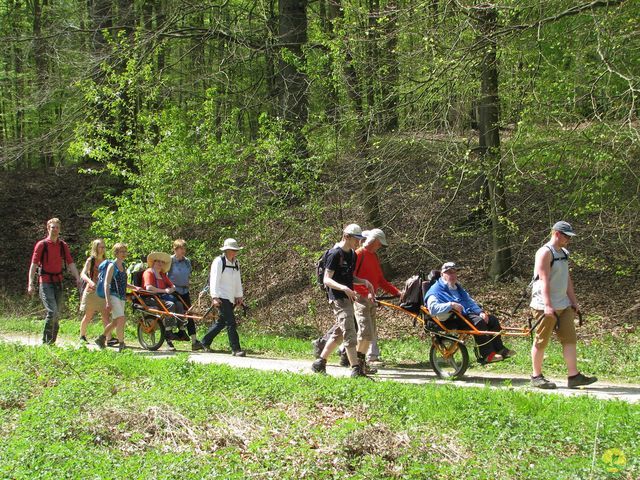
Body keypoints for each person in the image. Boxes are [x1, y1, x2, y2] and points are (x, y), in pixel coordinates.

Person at [529, 221, 597, 389]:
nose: (569, 240)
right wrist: (547, 305)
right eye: (566, 236)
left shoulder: (564, 253)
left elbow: (566, 279)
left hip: (563, 304)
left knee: (570, 339)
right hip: (543, 305)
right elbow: (543, 280)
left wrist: (573, 301)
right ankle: (536, 376)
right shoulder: (544, 252)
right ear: (557, 234)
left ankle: (573, 376)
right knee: (541, 341)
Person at [311, 224, 375, 378]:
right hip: (338, 298)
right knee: (350, 331)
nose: (358, 243)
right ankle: (356, 369)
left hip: (348, 297)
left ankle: (320, 363)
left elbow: (348, 277)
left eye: (360, 239)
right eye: (356, 239)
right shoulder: (335, 254)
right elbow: (327, 279)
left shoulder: (352, 254)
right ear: (346, 236)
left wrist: (363, 281)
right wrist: (344, 288)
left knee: (340, 332)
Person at [424, 262, 515, 364]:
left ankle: (499, 349)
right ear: (442, 274)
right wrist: (451, 305)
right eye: (449, 273)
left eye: (454, 272)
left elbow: (470, 302)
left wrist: (480, 312)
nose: (452, 275)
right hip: (450, 318)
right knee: (479, 323)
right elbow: (432, 308)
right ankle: (487, 355)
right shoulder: (435, 290)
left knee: (491, 319)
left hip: (463, 315)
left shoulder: (457, 287)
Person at [27, 217, 82, 344]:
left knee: (57, 313)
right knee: (52, 311)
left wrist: (78, 277)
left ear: (60, 229)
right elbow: (34, 265)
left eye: (57, 227)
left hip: (58, 281)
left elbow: (70, 263)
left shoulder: (63, 245)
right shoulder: (42, 245)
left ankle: (51, 342)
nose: (55, 230)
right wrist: (30, 283)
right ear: (48, 228)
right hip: (45, 281)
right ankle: (46, 342)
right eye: (53, 227)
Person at [354, 229, 402, 367]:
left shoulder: (374, 257)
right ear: (374, 241)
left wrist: (397, 292)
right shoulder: (358, 254)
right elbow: (351, 279)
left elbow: (380, 280)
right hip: (360, 299)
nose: (380, 246)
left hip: (371, 300)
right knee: (364, 332)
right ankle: (357, 363)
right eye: (379, 244)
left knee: (370, 333)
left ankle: (362, 361)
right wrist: (365, 292)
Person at [143, 251, 202, 351]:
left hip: (162, 297)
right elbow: (148, 288)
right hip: (151, 298)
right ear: (153, 262)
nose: (160, 264)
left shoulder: (162, 274)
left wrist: (171, 289)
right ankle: (168, 331)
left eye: (162, 262)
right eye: (158, 262)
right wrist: (164, 290)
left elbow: (171, 285)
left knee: (179, 304)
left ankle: (181, 329)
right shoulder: (149, 272)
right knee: (170, 305)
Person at [199, 238, 246, 356]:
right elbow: (214, 280)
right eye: (232, 250)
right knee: (231, 322)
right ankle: (236, 349)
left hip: (230, 297)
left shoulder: (236, 263)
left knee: (221, 323)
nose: (235, 252)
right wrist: (214, 297)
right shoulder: (219, 262)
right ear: (226, 250)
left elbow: (237, 280)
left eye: (236, 250)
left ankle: (204, 341)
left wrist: (239, 296)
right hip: (221, 296)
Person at [95, 243, 130, 352]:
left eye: (125, 251)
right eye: (121, 251)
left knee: (116, 321)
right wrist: (107, 301)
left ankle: (101, 338)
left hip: (122, 296)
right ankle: (121, 344)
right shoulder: (112, 266)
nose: (124, 254)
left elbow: (123, 283)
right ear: (116, 253)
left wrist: (135, 288)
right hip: (113, 295)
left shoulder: (123, 265)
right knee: (121, 319)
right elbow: (106, 283)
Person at [79, 239, 114, 345]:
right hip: (91, 291)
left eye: (104, 247)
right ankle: (82, 336)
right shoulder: (91, 260)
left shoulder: (106, 261)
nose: (103, 249)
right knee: (89, 315)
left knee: (105, 315)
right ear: (96, 248)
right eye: (101, 247)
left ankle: (109, 338)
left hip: (102, 291)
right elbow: (83, 274)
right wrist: (90, 282)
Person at [168, 239, 193, 308]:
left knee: (189, 313)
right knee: (178, 312)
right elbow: (164, 276)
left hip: (185, 291)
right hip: (174, 292)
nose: (183, 251)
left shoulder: (187, 261)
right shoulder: (170, 260)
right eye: (181, 248)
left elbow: (188, 274)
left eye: (184, 249)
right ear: (175, 249)